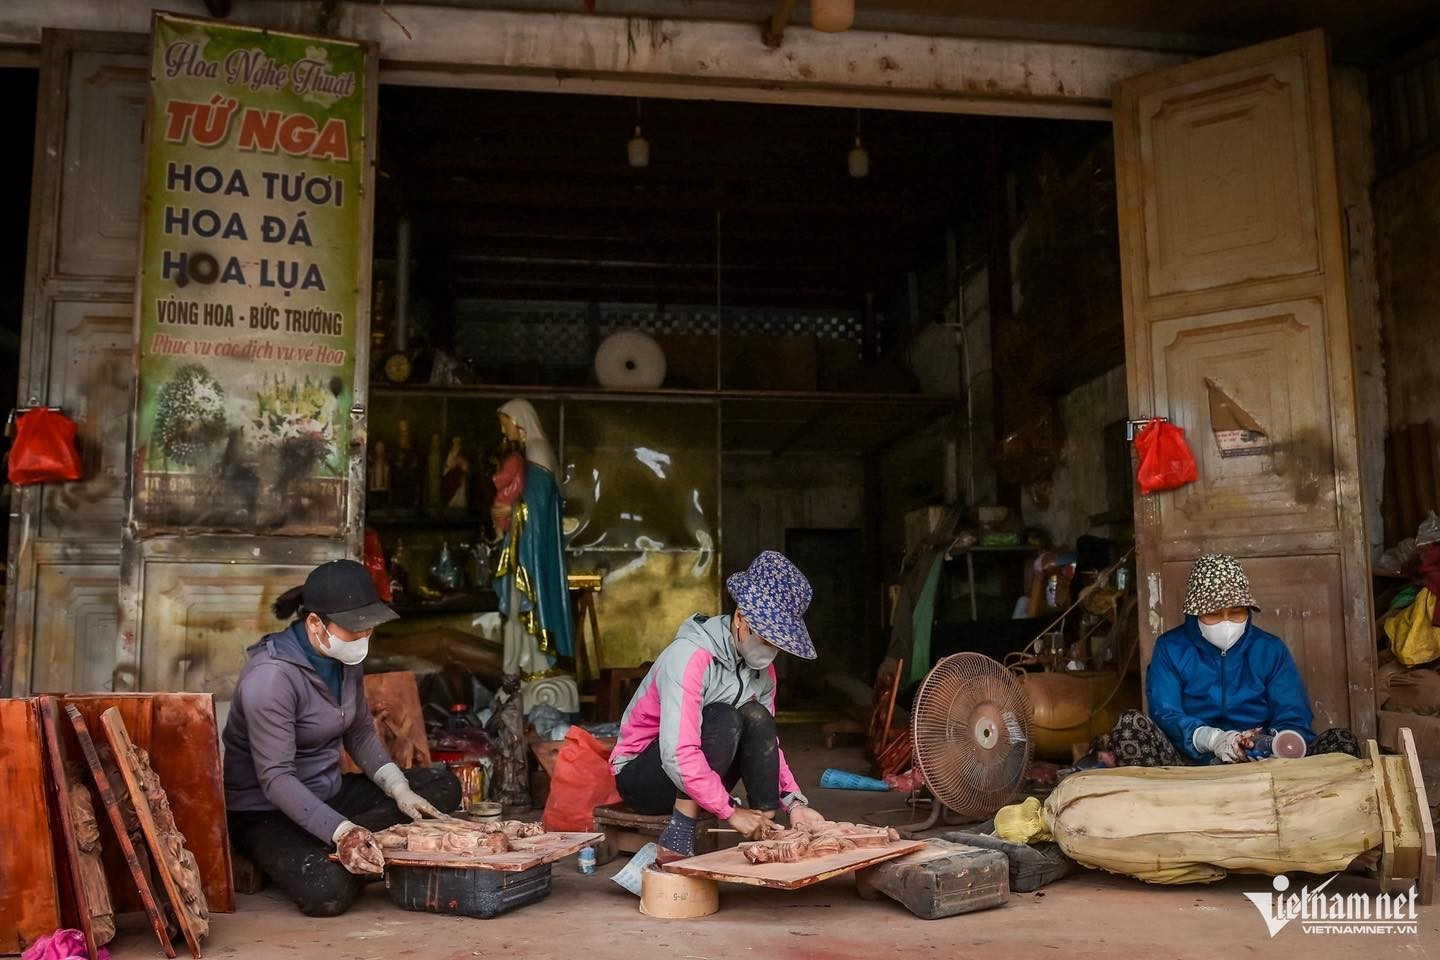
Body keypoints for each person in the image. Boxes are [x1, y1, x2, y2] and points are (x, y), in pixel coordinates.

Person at [224, 560, 461, 917]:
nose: (364, 637)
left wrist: (399, 789)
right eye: (354, 629)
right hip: (267, 811)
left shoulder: (344, 658)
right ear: (315, 624)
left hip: (329, 793)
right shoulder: (271, 677)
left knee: (442, 786)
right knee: (326, 890)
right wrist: (342, 831)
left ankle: (360, 847)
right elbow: (276, 778)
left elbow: (360, 732)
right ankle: (356, 847)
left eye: (369, 627)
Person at [609, 550, 827, 863]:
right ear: (740, 619)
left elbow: (767, 745)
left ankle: (766, 830)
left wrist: (794, 802)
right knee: (724, 717)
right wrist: (730, 812)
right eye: (767, 639)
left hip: (703, 775)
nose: (771, 650)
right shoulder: (689, 657)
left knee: (757, 717)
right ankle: (679, 832)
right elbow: (677, 752)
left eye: (778, 644)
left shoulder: (763, 673)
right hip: (644, 778)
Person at [1111, 554, 1360, 766]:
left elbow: (1293, 714)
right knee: (1130, 724)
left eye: (1237, 612)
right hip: (1190, 763)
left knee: (1341, 742)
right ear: (1195, 613)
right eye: (1213, 613)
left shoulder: (1270, 649)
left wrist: (1269, 743)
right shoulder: (1170, 648)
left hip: (1264, 762)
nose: (1226, 622)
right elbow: (1166, 712)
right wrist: (1214, 740)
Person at [490, 398, 579, 712]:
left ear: (520, 421)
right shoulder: (527, 454)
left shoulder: (537, 451)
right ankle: (521, 671)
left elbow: (537, 507)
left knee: (529, 607)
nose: (505, 431)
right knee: (516, 611)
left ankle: (537, 667)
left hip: (532, 550)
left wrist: (510, 511)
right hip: (522, 545)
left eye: (506, 424)